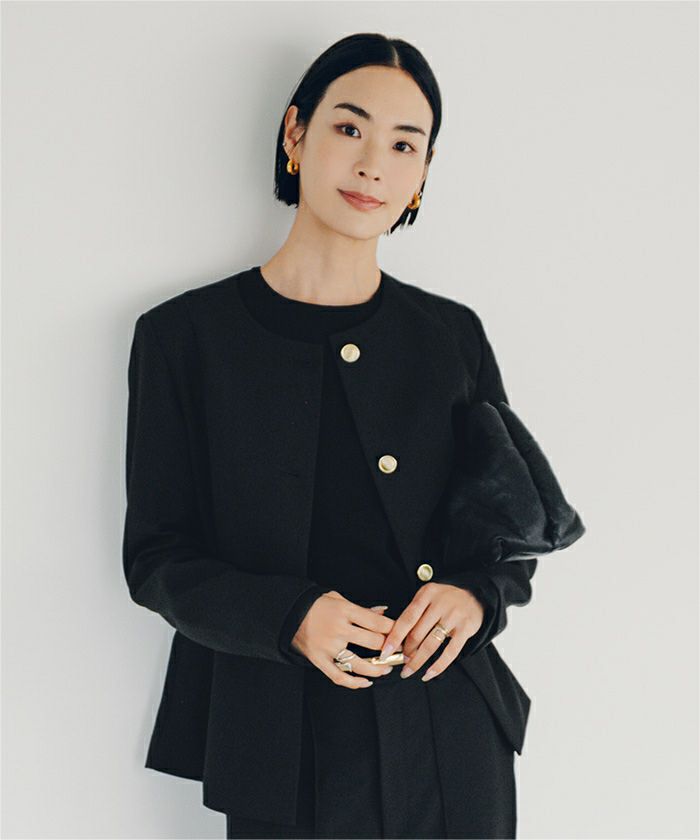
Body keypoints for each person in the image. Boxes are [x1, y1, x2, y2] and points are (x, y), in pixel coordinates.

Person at [123, 32, 537, 839]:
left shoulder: (452, 336)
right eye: (350, 128)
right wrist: (292, 615)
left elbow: (506, 535)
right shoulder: (184, 338)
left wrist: (475, 597)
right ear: (296, 133)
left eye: (404, 144)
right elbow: (157, 560)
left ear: (422, 175)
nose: (373, 164)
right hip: (281, 748)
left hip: (453, 737)